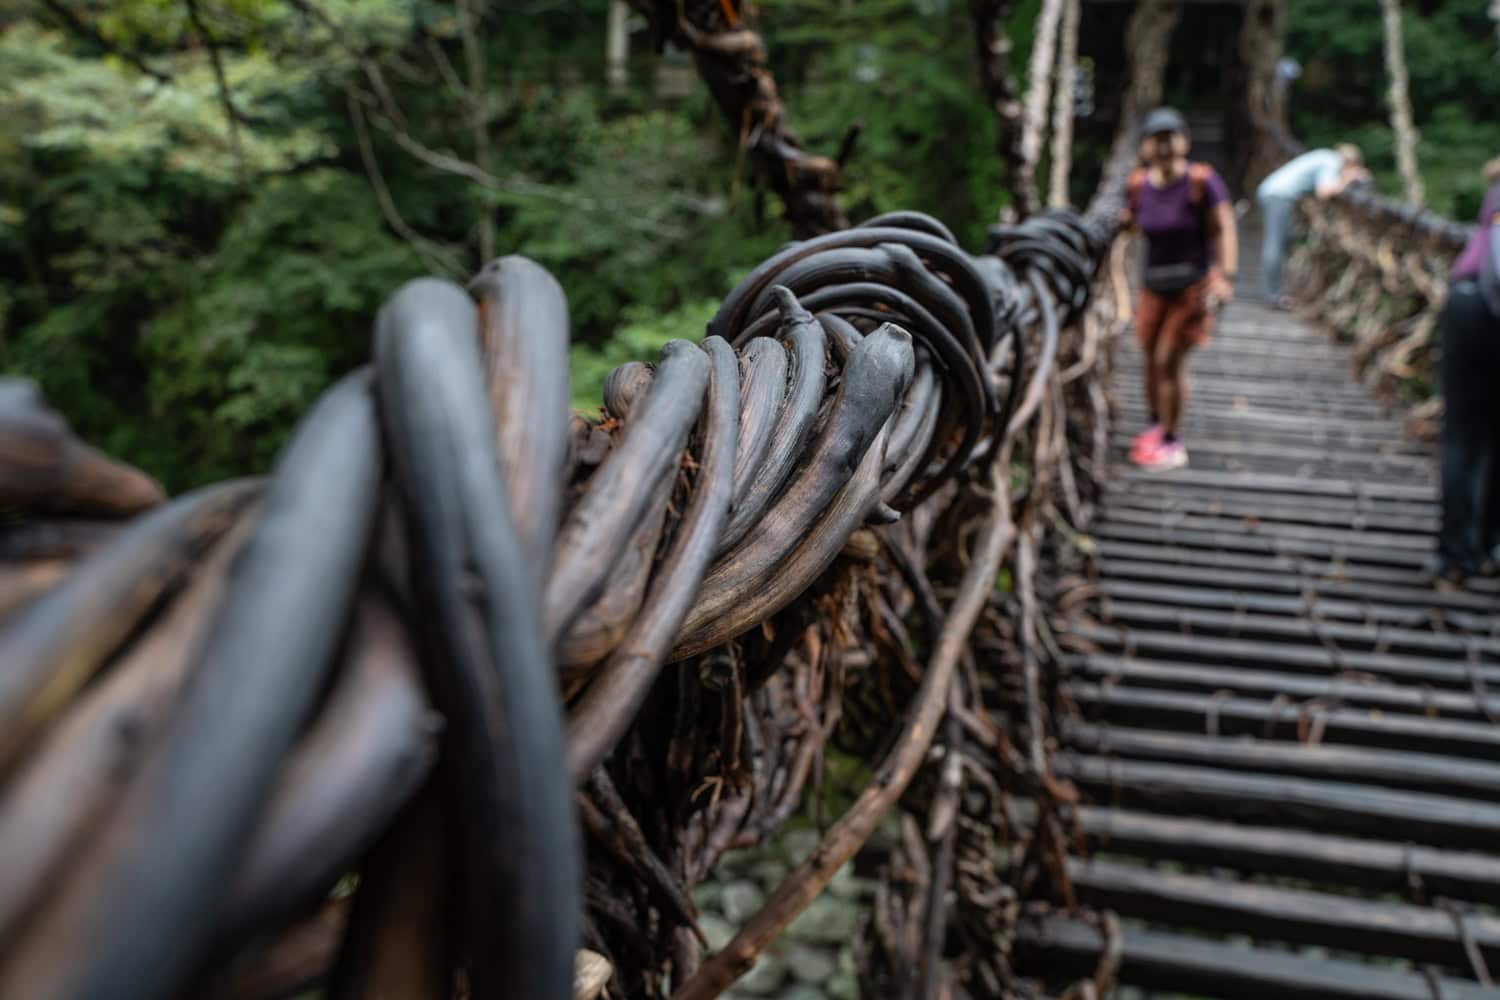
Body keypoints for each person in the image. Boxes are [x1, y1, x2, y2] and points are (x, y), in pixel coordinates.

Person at [1116, 107, 1238, 472]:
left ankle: (1172, 439)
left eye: (1172, 137)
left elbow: (1224, 227)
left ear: (1184, 141)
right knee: (1150, 359)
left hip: (1192, 288)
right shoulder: (1139, 185)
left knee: (1169, 359)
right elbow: (1132, 225)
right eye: (1158, 138)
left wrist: (1225, 276)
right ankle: (1156, 425)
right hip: (1153, 287)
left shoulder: (1202, 181)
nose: (1166, 145)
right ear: (1147, 146)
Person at [1431, 157, 1500, 589]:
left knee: (1462, 436)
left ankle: (1454, 555)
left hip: (1468, 305)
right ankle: (1488, 546)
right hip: (1486, 308)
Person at [1256, 144, 1369, 308]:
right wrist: (1349, 180)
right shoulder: (1332, 162)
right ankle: (1273, 295)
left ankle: (1277, 289)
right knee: (1275, 245)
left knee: (1287, 239)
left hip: (1274, 193)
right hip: (1278, 196)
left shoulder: (1325, 156)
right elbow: (1323, 191)